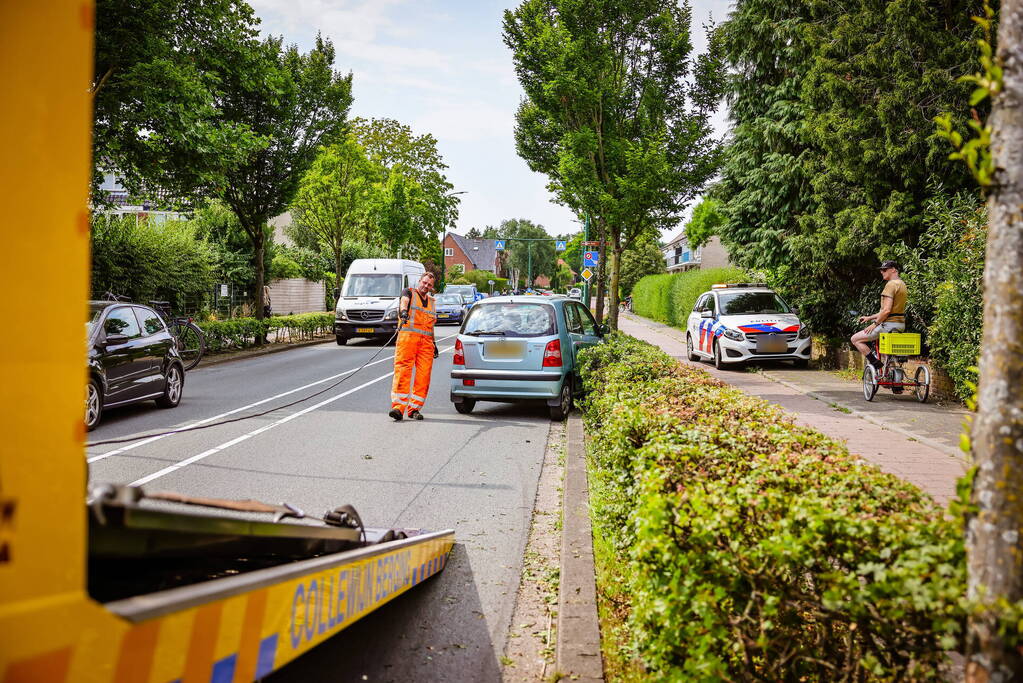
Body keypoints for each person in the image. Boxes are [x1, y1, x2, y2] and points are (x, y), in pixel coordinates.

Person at [390, 272, 439, 421]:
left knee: (424, 376)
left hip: (426, 344)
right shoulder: (409, 292)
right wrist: (404, 312)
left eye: (429, 285)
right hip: (407, 340)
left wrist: (434, 343)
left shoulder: (431, 301)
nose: (426, 286)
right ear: (419, 281)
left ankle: (414, 409)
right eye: (424, 283)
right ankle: (398, 408)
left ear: (432, 287)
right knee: (403, 372)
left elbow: (430, 326)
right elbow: (403, 302)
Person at [851, 260, 907, 370]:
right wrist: (869, 317)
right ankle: (891, 374)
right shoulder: (902, 284)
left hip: (888, 325)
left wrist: (875, 324)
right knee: (887, 351)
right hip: (900, 325)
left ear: (893, 269)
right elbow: (891, 311)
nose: (882, 272)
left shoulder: (890, 285)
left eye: (884, 269)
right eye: (881, 270)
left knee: (855, 339)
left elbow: (886, 311)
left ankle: (875, 363)